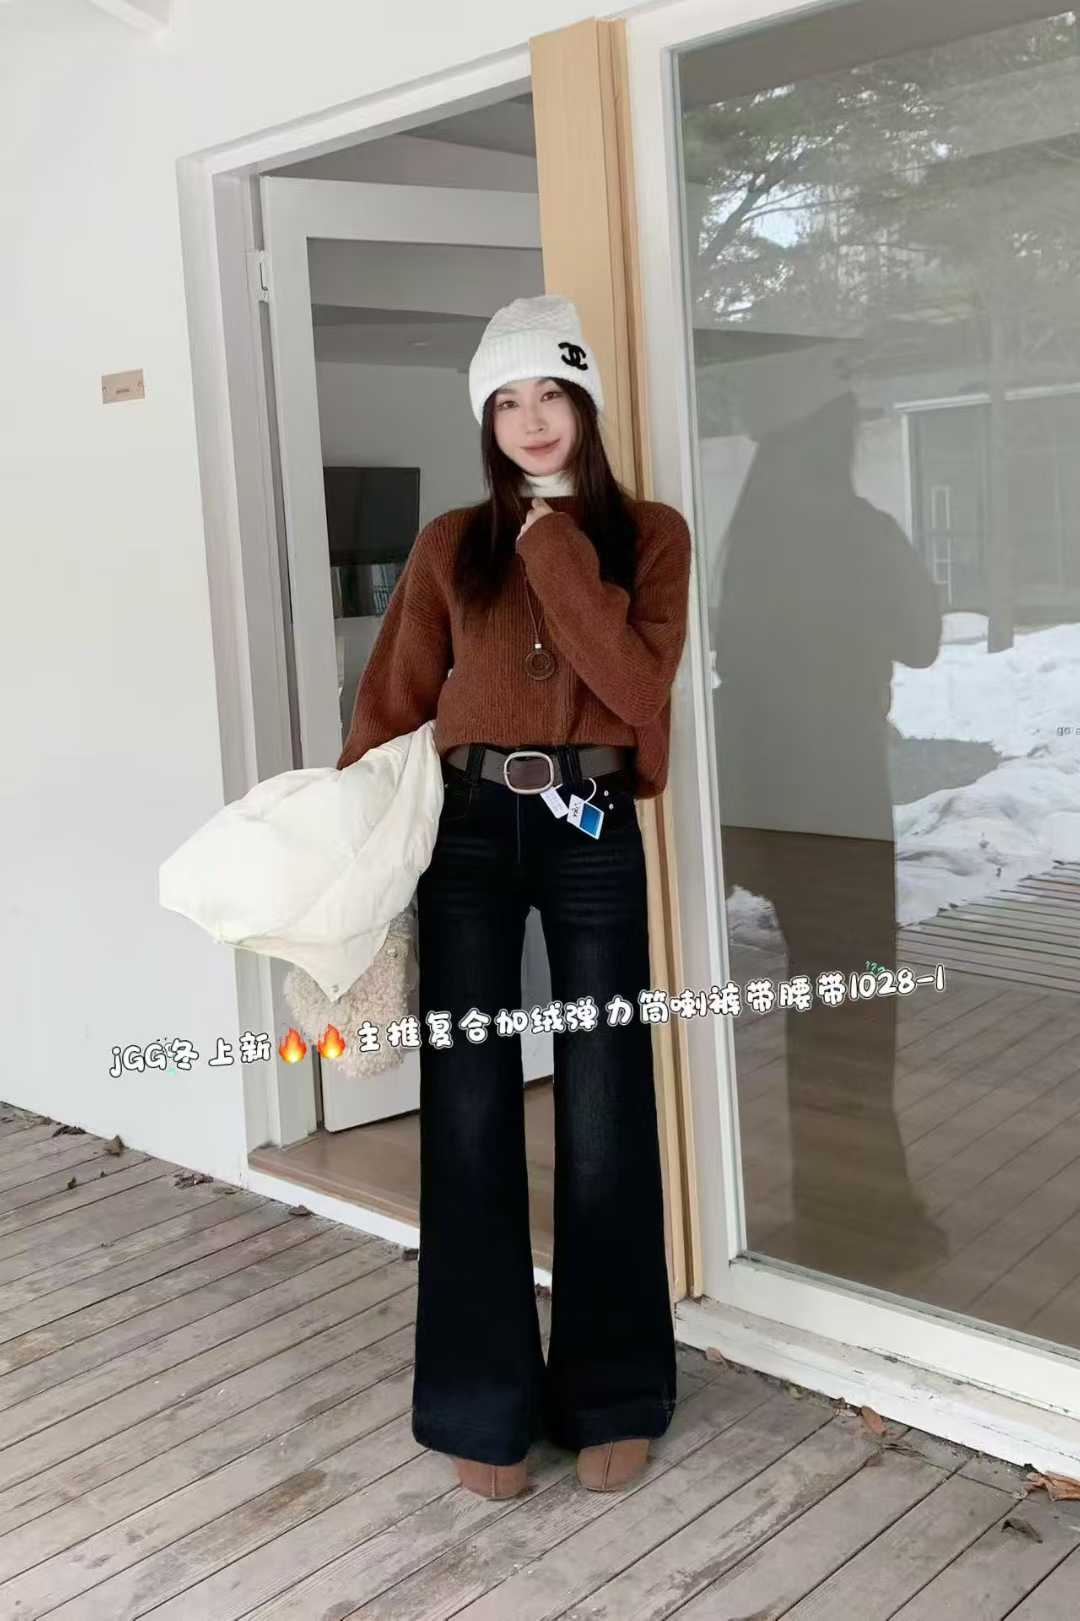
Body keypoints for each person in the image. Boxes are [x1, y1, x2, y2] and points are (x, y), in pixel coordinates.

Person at [335, 294, 692, 1499]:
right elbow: (392, 699)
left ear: (583, 402)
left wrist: (550, 546)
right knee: (471, 1106)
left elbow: (635, 686)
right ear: (485, 421)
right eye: (505, 402)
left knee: (604, 1101)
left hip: (592, 822)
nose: (531, 420)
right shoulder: (450, 543)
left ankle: (614, 1391)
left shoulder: (648, 535)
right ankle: (479, 1401)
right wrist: (353, 847)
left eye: (550, 394)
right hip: (469, 828)